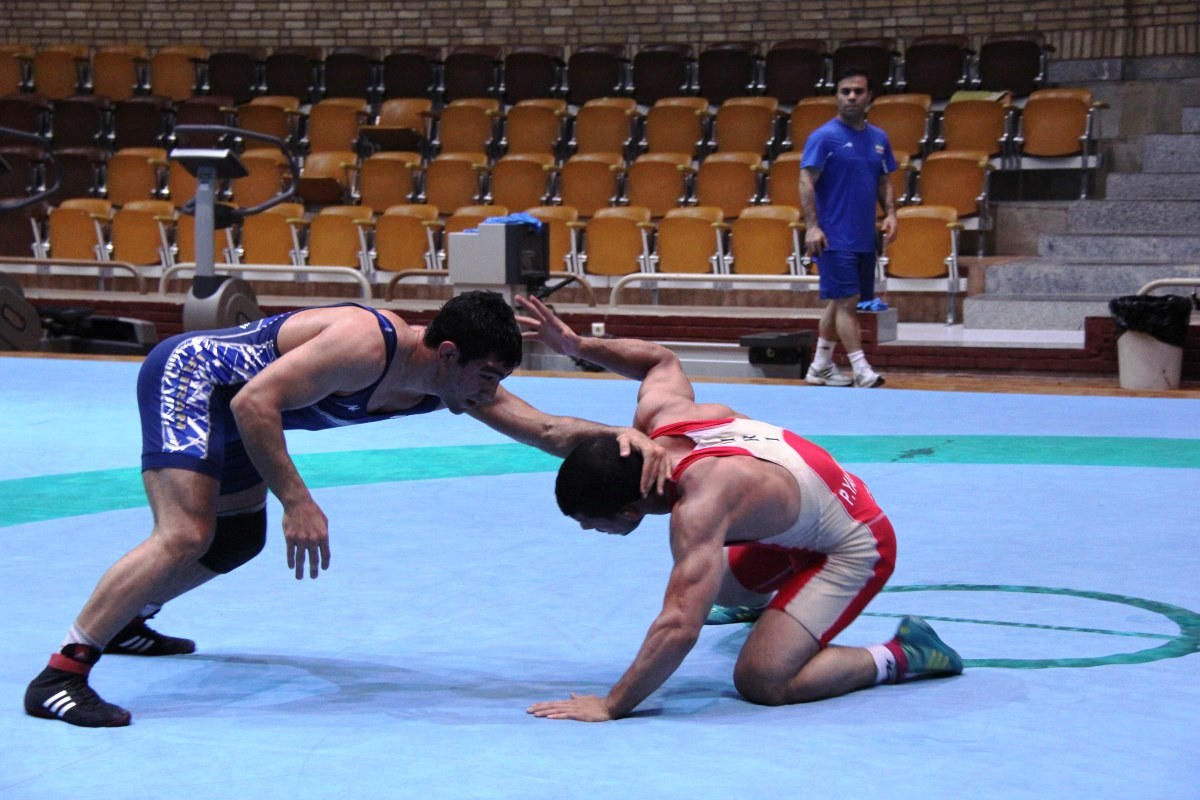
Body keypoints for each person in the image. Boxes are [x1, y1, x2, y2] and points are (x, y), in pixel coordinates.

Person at [25, 292, 670, 728]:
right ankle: (61, 674)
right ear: (449, 354)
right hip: (196, 384)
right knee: (187, 533)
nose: (490, 392)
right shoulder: (367, 344)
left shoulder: (449, 384)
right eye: (486, 376)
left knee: (236, 540)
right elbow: (253, 402)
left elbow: (548, 429)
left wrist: (622, 433)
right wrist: (298, 501)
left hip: (248, 413)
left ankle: (129, 618)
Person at [517, 295, 961, 723]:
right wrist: (577, 346)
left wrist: (613, 704)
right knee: (718, 586)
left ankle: (905, 654)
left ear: (630, 512)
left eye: (591, 524)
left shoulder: (700, 506)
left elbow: (679, 627)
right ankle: (769, 606)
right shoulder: (663, 416)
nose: (588, 531)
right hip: (811, 508)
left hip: (858, 543)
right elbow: (659, 361)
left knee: (762, 679)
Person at [799, 66, 897, 389]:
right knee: (847, 301)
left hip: (864, 236)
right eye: (845, 92)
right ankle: (861, 369)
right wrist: (812, 227)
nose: (852, 97)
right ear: (837, 96)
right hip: (832, 236)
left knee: (840, 300)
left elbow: (883, 179)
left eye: (858, 91)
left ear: (869, 97)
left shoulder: (879, 138)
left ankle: (820, 366)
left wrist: (891, 213)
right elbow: (806, 180)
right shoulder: (824, 137)